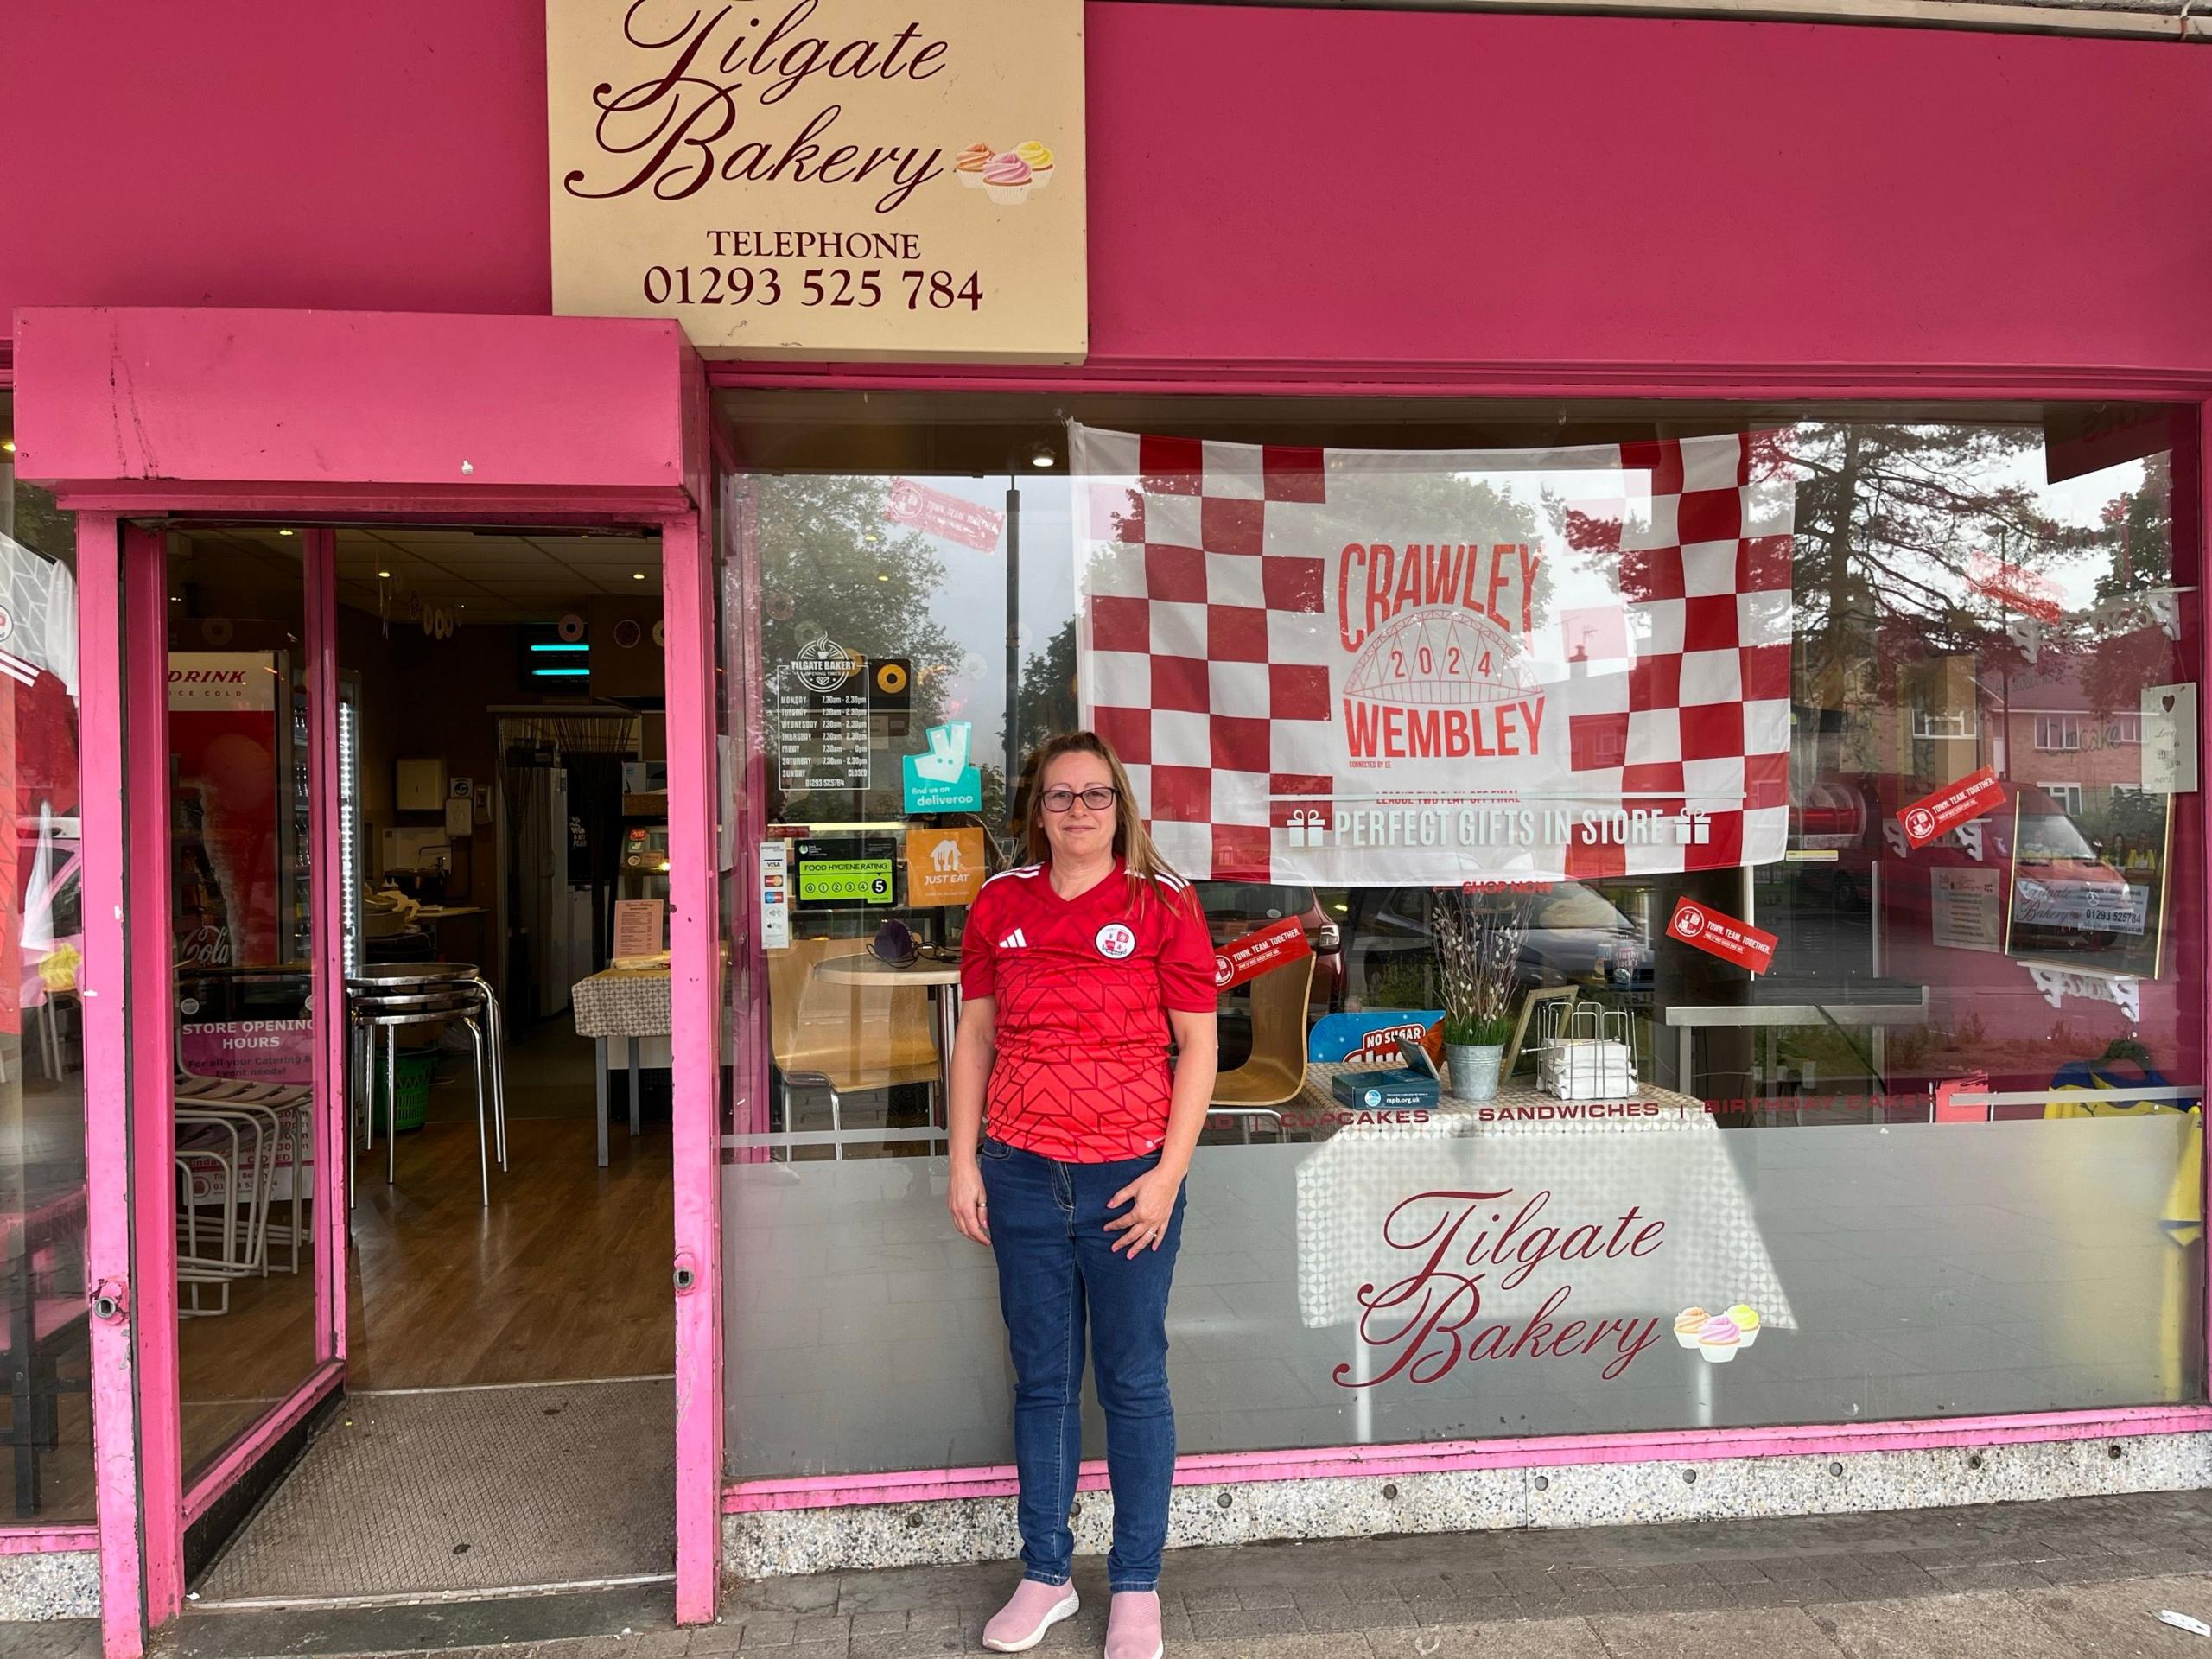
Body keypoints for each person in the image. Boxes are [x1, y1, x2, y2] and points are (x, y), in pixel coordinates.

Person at [948, 731, 1220, 1659]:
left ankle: (1137, 1586)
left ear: (1120, 808)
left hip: (1128, 1179)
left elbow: (1199, 1048)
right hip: (1020, 1170)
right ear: (1037, 809)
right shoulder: (999, 904)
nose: (1076, 812)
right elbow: (975, 1040)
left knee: (1134, 1383)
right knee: (1043, 1386)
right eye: (1059, 797)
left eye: (1094, 796)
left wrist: (1167, 1176)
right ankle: (1047, 1575)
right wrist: (963, 1161)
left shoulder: (1162, 904)